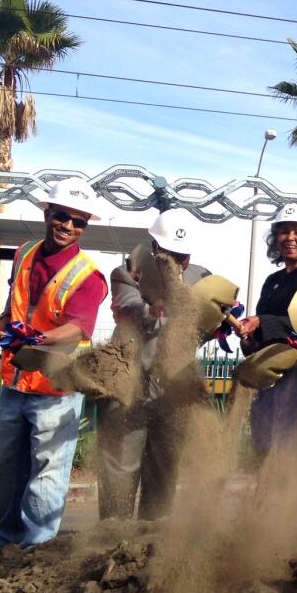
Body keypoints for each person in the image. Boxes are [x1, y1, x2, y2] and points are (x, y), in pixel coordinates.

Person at [0, 179, 108, 569]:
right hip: (16, 382)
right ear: (47, 214)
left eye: (77, 222)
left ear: (84, 228)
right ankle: (5, 546)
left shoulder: (88, 275)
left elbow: (78, 328)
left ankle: (33, 558)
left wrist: (40, 338)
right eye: (61, 216)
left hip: (56, 390)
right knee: (7, 470)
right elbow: (15, 303)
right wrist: (1, 323)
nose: (67, 226)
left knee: (47, 475)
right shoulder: (25, 253)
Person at [98, 208, 212, 520]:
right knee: (119, 474)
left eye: (181, 256)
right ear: (154, 248)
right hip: (129, 389)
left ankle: (150, 547)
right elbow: (129, 311)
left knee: (163, 478)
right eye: (167, 254)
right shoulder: (128, 273)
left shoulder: (203, 280)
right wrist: (157, 307)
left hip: (173, 395)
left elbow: (208, 324)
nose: (175, 263)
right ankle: (110, 540)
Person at [236, 204, 297, 460]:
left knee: (290, 453)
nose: (290, 238)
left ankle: (287, 500)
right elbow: (262, 331)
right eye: (283, 232)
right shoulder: (271, 281)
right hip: (269, 380)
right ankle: (265, 500)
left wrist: (261, 321)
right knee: (264, 449)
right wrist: (250, 339)